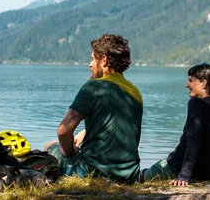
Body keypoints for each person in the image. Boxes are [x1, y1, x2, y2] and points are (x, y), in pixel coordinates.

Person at [44, 33, 143, 183]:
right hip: (129, 175)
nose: (90, 64)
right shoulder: (135, 92)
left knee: (51, 146)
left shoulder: (93, 88)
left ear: (103, 60)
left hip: (92, 172)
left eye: (92, 58)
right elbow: (115, 122)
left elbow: (63, 131)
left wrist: (70, 152)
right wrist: (87, 131)